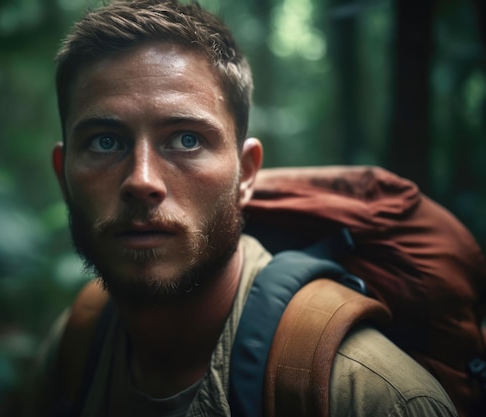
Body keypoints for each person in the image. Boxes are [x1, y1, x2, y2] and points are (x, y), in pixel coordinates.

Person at [41, 0, 459, 416]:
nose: (142, 181)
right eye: (104, 141)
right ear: (63, 176)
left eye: (186, 139)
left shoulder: (370, 395)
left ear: (246, 174)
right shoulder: (72, 350)